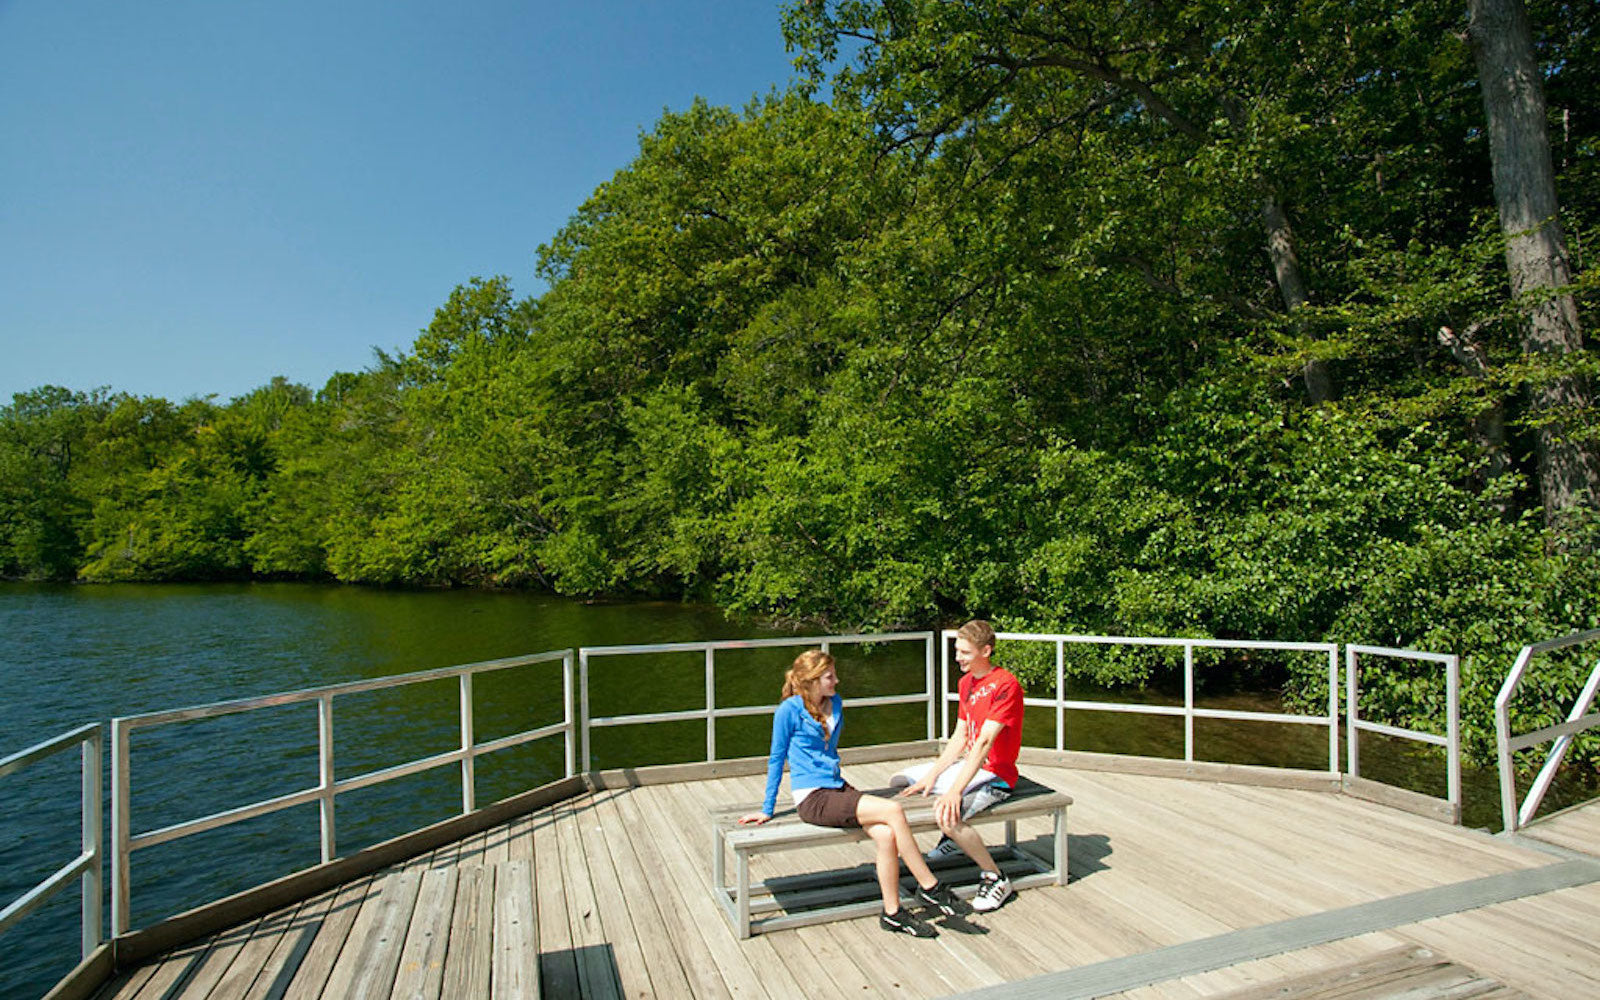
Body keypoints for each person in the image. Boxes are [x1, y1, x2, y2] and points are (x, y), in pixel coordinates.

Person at [739, 649, 967, 937]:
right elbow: (776, 758)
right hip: (812, 797)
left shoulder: (836, 703)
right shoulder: (789, 710)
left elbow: (829, 750)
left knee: (885, 834)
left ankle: (893, 912)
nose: (836, 680)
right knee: (893, 810)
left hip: (837, 788)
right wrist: (767, 808)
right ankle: (930, 887)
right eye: (829, 677)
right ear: (811, 680)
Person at [892, 619, 1023, 913]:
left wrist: (954, 790)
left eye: (964, 652)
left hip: (996, 775)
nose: (957, 658)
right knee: (900, 783)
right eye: (956, 650)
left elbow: (984, 742)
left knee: (947, 813)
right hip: (972, 766)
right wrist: (932, 775)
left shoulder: (1005, 684)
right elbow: (961, 736)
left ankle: (995, 876)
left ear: (986, 651)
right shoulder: (966, 683)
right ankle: (954, 840)